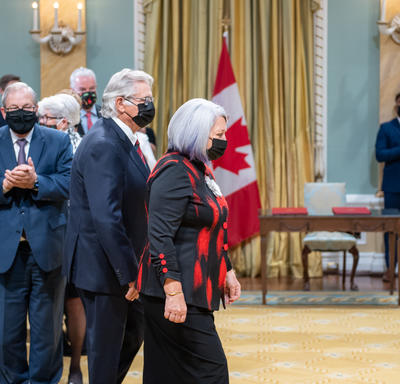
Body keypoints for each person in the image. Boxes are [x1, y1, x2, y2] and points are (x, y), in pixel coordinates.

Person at [139, 98, 241, 384]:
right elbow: (159, 236)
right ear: (197, 134)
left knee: (169, 373)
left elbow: (212, 227)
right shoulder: (174, 170)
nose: (225, 140)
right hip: (174, 290)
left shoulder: (199, 168)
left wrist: (227, 270)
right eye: (218, 135)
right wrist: (173, 292)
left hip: (195, 288)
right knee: (212, 371)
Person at [64, 68, 156, 384]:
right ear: (120, 103)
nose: (149, 106)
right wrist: (128, 273)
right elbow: (107, 216)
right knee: (105, 353)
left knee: (132, 334)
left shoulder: (123, 138)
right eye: (144, 100)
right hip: (105, 268)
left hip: (118, 264)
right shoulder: (104, 142)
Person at [0, 82, 72, 383]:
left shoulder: (58, 140)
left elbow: (69, 184)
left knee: (47, 334)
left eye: (28, 109)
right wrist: (4, 186)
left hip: (47, 251)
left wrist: (36, 182)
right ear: (4, 112)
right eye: (15, 109)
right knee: (7, 333)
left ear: (37, 108)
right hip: (6, 253)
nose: (22, 114)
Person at [38, 93, 84, 384]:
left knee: (73, 302)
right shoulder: (40, 143)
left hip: (74, 233)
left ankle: (76, 364)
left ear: (63, 122)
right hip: (48, 231)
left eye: (45, 118)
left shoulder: (81, 147)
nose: (39, 123)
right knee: (50, 306)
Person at [376, 93, 400, 281]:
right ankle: (390, 268)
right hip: (393, 187)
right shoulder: (386, 128)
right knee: (391, 228)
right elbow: (380, 154)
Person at [70, 67, 101, 136]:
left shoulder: (106, 115)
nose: (88, 93)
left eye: (92, 88)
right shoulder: (68, 118)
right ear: (72, 91)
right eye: (82, 89)